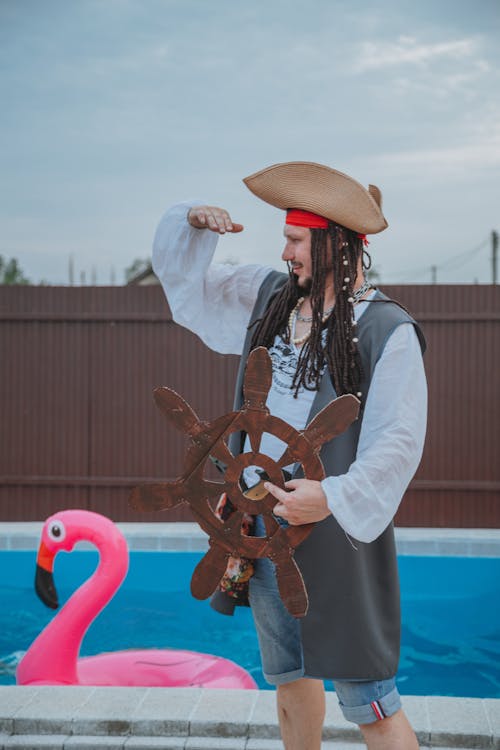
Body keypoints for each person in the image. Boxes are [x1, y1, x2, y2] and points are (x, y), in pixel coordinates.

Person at [152, 161, 427, 750]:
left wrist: (328, 497)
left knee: (372, 702)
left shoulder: (386, 330)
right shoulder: (272, 297)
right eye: (286, 238)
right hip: (264, 524)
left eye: (296, 240)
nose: (286, 252)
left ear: (335, 245)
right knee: (291, 680)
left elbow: (397, 445)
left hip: (336, 528)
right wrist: (191, 225)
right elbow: (191, 293)